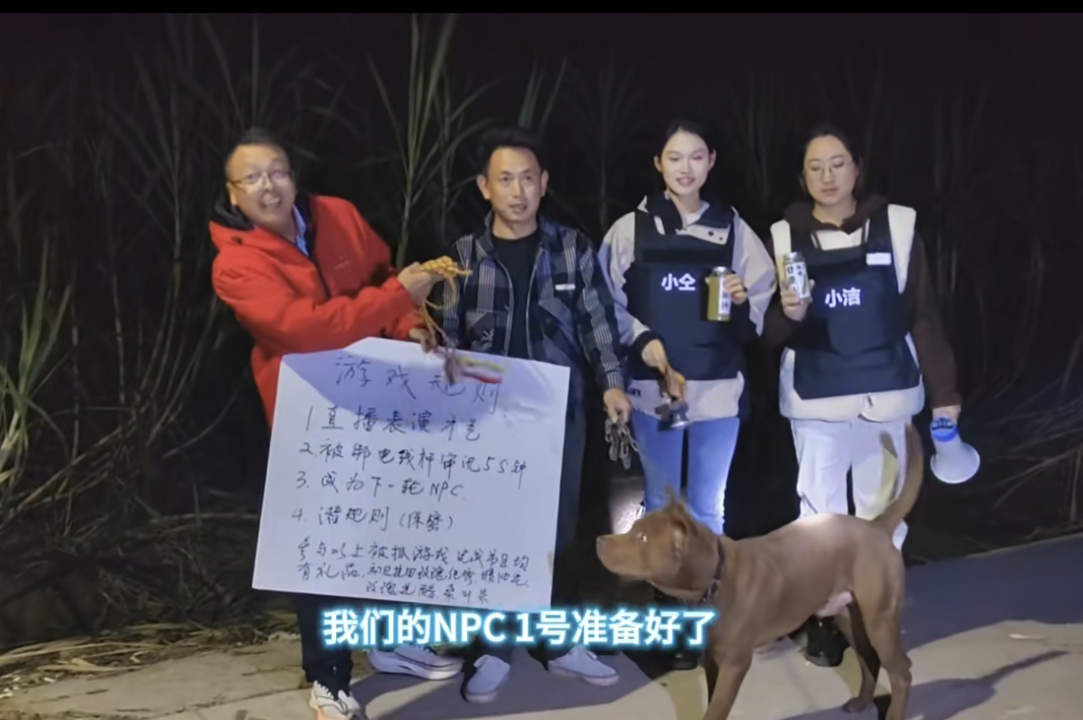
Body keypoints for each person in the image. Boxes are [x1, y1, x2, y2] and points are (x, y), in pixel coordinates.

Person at [209, 128, 465, 720]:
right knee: (322, 550)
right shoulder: (235, 264)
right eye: (253, 177)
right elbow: (305, 331)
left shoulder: (338, 216)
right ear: (233, 191)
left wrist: (411, 326)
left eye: (278, 171)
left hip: (380, 401)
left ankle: (391, 639)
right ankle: (328, 677)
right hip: (309, 417)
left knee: (392, 527)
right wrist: (395, 297)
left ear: (293, 174)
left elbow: (384, 279)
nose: (269, 186)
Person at [428, 126, 633, 703]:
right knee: (493, 533)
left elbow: (597, 323)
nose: (517, 191)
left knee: (559, 530)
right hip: (488, 418)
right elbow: (445, 334)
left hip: (558, 412)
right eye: (505, 179)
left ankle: (559, 641)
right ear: (484, 187)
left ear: (543, 183)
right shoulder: (463, 256)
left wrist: (612, 385)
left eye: (527, 178)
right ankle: (492, 649)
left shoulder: (571, 247)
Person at [762, 124, 961, 668]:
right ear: (802, 176)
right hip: (816, 398)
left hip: (887, 394)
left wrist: (945, 393)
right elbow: (766, 333)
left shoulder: (898, 227)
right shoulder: (782, 236)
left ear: (857, 168)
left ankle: (878, 617)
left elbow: (923, 314)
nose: (828, 177)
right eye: (815, 167)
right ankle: (825, 621)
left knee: (884, 514)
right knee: (819, 516)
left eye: (838, 164)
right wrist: (789, 313)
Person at [596, 120, 776, 671]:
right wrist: (642, 341)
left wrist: (741, 301)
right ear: (658, 163)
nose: (685, 168)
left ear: (711, 161)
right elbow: (605, 303)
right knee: (660, 504)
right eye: (674, 157)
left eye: (696, 157)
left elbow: (760, 305)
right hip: (655, 391)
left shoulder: (733, 228)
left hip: (718, 389)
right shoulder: (631, 229)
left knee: (708, 508)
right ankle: (667, 620)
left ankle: (708, 615)